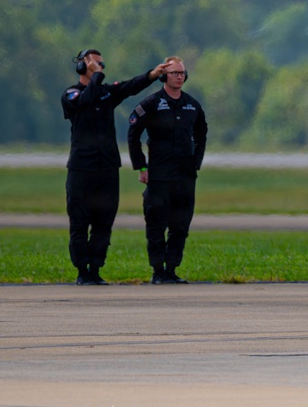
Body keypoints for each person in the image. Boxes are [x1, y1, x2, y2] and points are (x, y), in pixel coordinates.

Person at [62, 49, 169, 285]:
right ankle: (82, 272)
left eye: (100, 63)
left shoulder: (106, 93)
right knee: (79, 222)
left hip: (107, 168)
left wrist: (152, 74)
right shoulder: (71, 94)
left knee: (104, 221)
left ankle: (96, 268)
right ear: (81, 66)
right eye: (93, 63)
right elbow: (86, 99)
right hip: (82, 169)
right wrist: (96, 75)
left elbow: (130, 87)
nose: (99, 67)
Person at [127, 56, 208, 284]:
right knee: (156, 224)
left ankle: (172, 269)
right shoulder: (151, 104)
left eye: (182, 73)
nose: (179, 76)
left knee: (180, 224)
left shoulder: (193, 105)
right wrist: (141, 166)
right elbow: (133, 134)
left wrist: (196, 162)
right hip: (159, 175)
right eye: (174, 73)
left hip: (184, 175)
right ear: (164, 76)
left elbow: (202, 133)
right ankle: (157, 271)